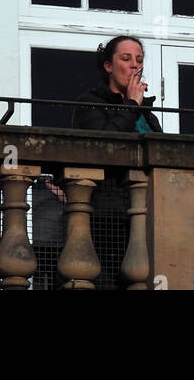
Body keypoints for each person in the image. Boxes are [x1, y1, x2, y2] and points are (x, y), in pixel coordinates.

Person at [71, 36, 162, 288]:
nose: (134, 65)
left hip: (148, 218)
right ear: (108, 66)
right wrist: (131, 104)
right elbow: (105, 150)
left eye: (139, 60)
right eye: (126, 58)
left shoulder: (149, 116)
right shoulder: (90, 104)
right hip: (107, 218)